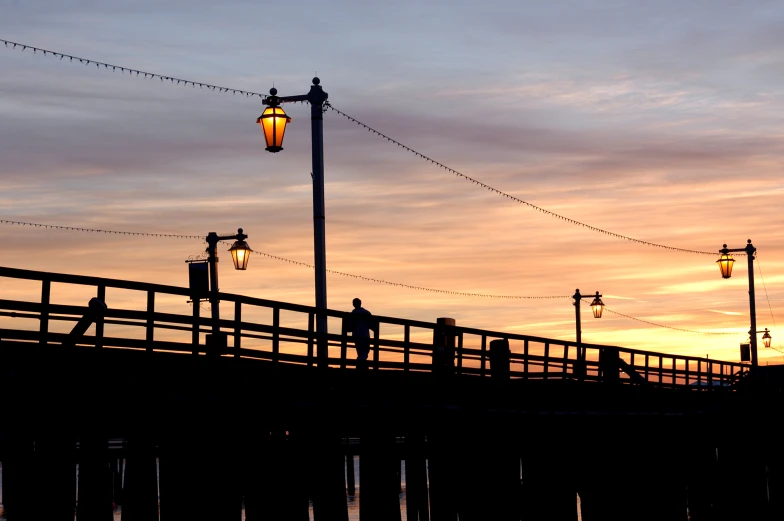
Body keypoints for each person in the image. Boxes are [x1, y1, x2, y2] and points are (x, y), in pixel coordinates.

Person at [350, 298, 373, 362]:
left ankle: (360, 363)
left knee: (359, 350)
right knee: (365, 350)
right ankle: (362, 363)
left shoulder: (353, 313)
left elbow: (349, 326)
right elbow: (372, 324)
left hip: (356, 334)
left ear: (353, 304)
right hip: (365, 334)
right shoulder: (366, 312)